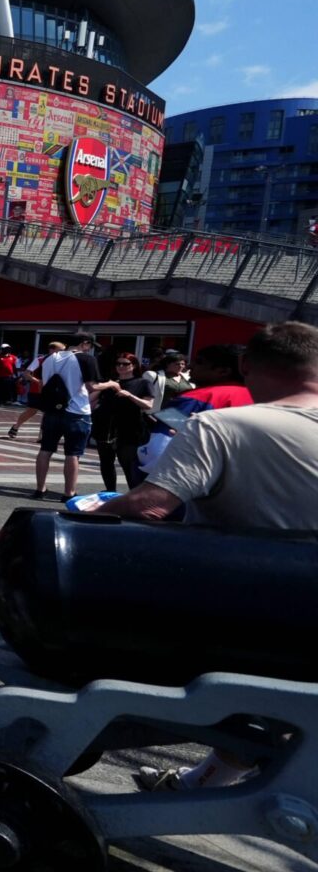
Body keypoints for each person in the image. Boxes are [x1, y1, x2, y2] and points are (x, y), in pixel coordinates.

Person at [97, 323, 318, 794]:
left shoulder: (223, 426)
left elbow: (152, 505)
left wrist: (90, 510)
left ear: (247, 366)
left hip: (255, 615)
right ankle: (211, 777)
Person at [31, 333, 104, 501]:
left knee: (45, 450)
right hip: (76, 411)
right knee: (72, 454)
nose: (90, 349)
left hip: (52, 410)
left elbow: (44, 381)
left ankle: (40, 489)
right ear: (85, 343)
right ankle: (68, 493)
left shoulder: (50, 358)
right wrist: (112, 384)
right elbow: (91, 386)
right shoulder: (86, 359)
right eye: (90, 346)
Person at [94, 352, 154, 492]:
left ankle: (134, 494)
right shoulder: (111, 382)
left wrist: (130, 395)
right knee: (106, 463)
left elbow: (148, 405)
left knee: (128, 463)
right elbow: (92, 400)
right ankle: (110, 492)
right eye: (118, 363)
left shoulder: (142, 382)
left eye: (125, 364)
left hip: (130, 428)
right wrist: (104, 386)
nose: (121, 366)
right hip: (105, 426)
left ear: (133, 366)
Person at [8, 343, 64, 440]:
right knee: (31, 411)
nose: (62, 352)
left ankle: (41, 436)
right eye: (60, 350)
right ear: (51, 350)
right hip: (36, 390)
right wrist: (38, 381)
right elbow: (26, 374)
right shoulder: (40, 360)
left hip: (51, 391)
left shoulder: (61, 362)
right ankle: (16, 426)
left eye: (63, 350)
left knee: (48, 413)